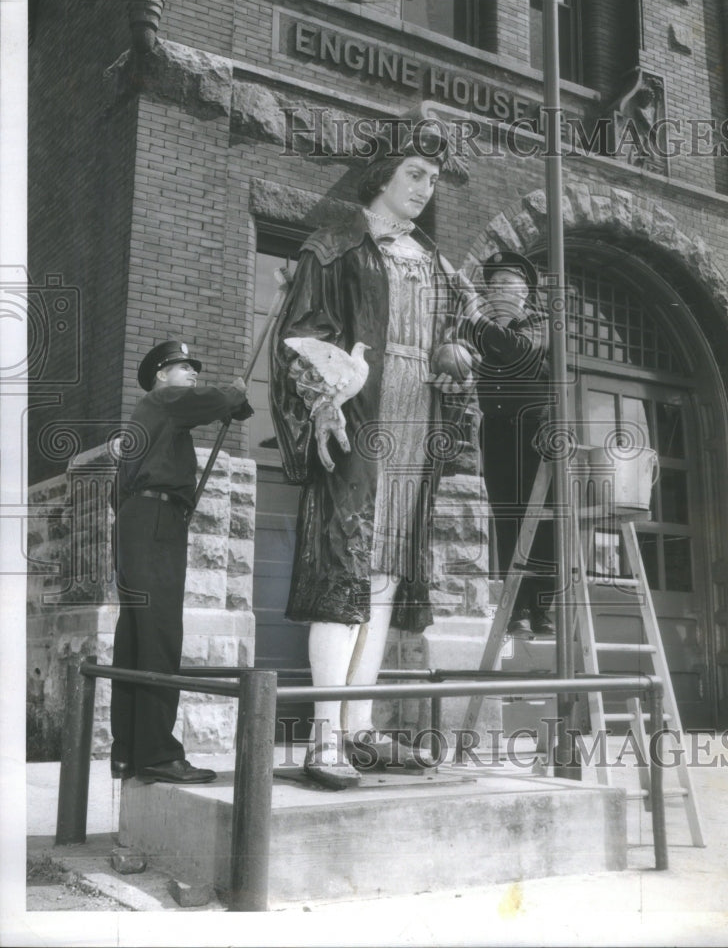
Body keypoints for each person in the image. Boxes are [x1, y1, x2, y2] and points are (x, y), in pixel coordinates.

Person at [270, 123, 469, 789]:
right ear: (382, 174)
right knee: (344, 574)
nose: (425, 188)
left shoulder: (439, 266)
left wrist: (455, 373)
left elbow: (450, 346)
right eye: (414, 173)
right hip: (359, 426)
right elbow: (300, 338)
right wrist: (323, 397)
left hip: (414, 428)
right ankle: (322, 739)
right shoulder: (334, 249)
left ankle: (357, 728)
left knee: (383, 579)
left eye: (433, 179)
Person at [110, 339, 253, 784]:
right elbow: (214, 400)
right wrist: (233, 392)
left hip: (140, 520)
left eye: (193, 366)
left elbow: (117, 491)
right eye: (181, 366)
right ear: (160, 375)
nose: (191, 371)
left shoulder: (155, 418)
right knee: (159, 636)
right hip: (155, 520)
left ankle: (129, 750)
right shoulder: (163, 400)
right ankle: (157, 755)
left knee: (135, 636)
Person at [458, 251, 556, 636]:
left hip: (534, 431)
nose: (496, 290)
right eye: (492, 284)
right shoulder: (478, 331)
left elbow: (517, 350)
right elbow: (460, 359)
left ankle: (542, 609)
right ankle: (515, 608)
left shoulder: (539, 323)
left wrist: (474, 313)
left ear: (525, 292)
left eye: (506, 284)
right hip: (496, 430)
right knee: (506, 516)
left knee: (540, 519)